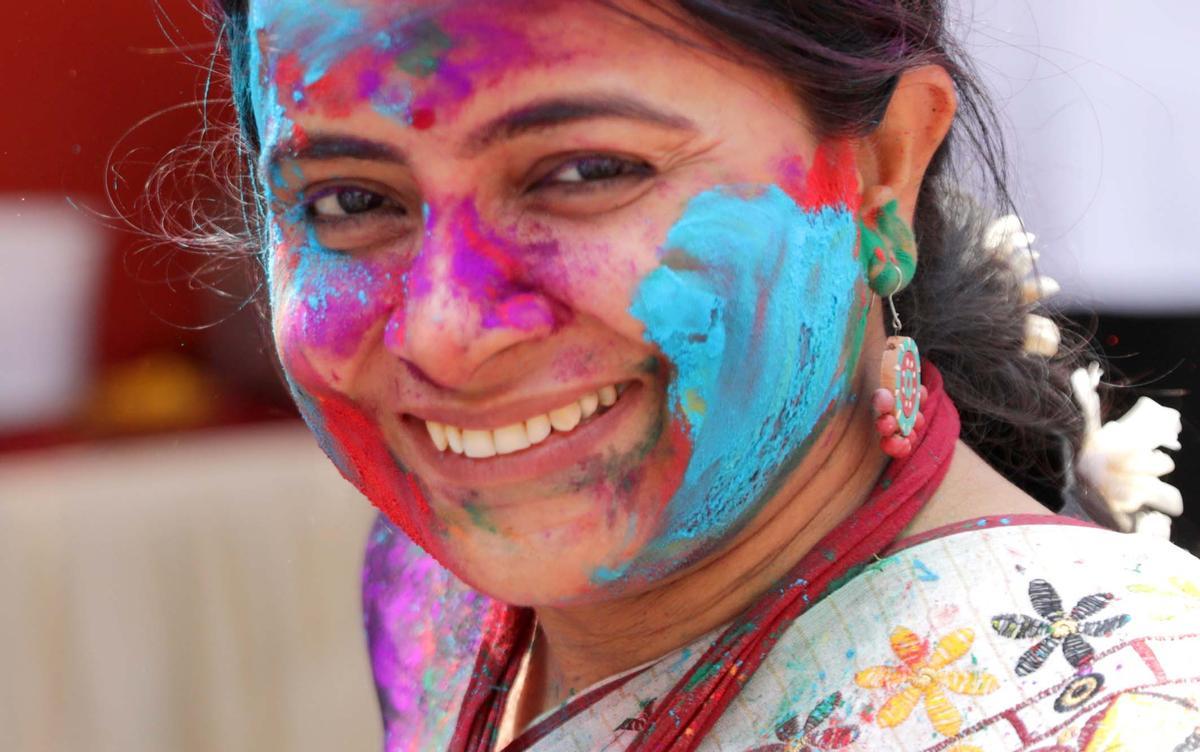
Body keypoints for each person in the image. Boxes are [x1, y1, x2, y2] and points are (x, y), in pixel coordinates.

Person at [204, 0, 1200, 749]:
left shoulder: (1137, 712)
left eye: (587, 173)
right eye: (348, 198)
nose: (446, 332)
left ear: (885, 168)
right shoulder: (436, 600)